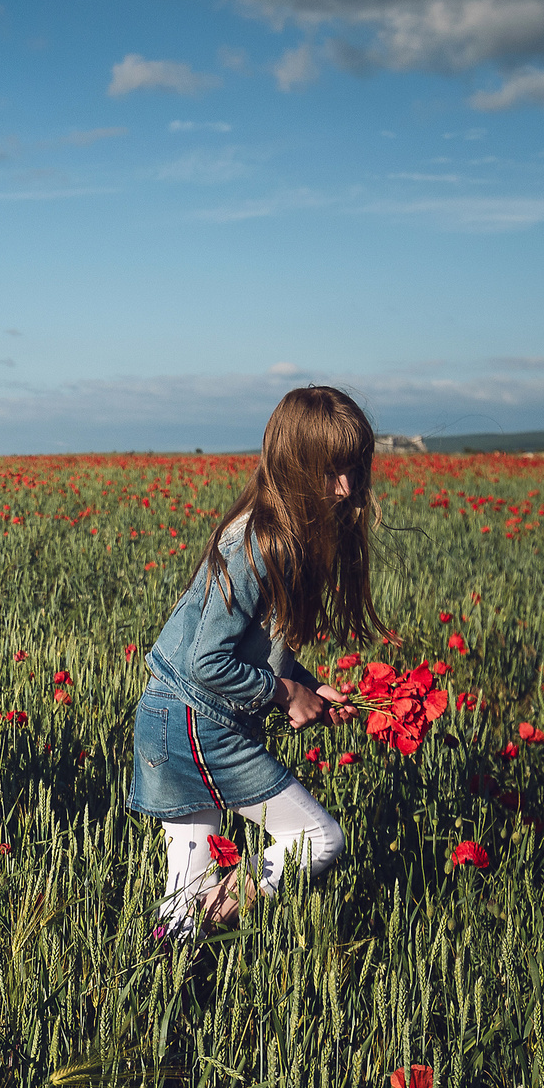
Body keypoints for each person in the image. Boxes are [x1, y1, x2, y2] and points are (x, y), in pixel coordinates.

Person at [129, 385, 376, 935]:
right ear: (293, 466)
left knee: (183, 896)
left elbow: (255, 646)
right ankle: (193, 936)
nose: (346, 487)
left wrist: (309, 686)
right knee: (317, 838)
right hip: (195, 723)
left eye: (355, 469)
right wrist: (287, 694)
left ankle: (166, 981)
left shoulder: (279, 535)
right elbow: (205, 661)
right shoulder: (262, 545)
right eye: (332, 471)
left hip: (177, 720)